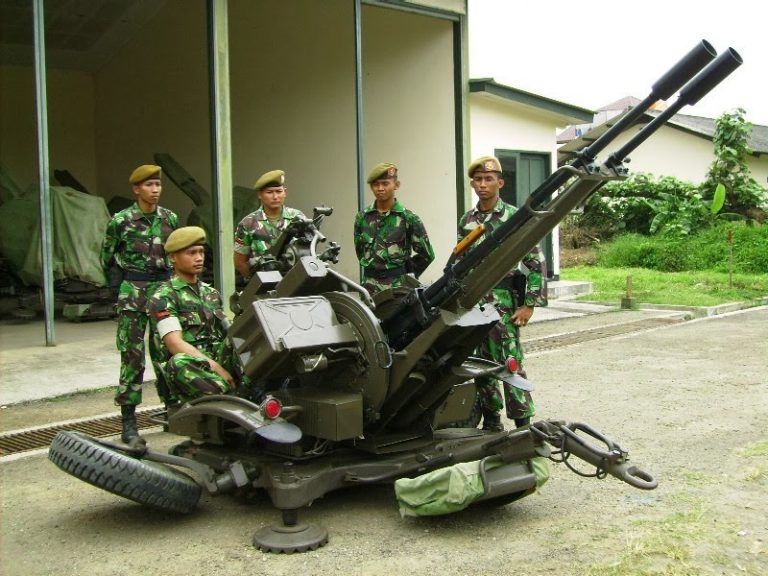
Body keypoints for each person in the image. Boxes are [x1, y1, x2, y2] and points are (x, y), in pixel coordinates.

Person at [458, 156, 547, 431]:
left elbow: (536, 261)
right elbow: (461, 262)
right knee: (480, 364)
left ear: (500, 182)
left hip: (504, 304)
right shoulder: (467, 220)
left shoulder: (513, 218)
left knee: (510, 364)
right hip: (475, 303)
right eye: (477, 179)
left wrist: (529, 304)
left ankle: (522, 424)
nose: (482, 185)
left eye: (488, 179)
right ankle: (492, 421)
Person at [100, 164, 179, 447]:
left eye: (158, 184)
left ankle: (174, 410)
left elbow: (177, 255)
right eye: (149, 185)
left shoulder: (170, 218)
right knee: (132, 358)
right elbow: (107, 257)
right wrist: (115, 290)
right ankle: (129, 422)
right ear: (136, 189)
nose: (155, 190)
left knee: (167, 352)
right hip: (133, 293)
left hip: (163, 293)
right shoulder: (121, 220)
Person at [149, 227, 254, 403]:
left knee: (244, 336)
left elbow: (228, 336)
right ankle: (233, 396)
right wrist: (216, 367)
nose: (199, 258)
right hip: (194, 370)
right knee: (179, 361)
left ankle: (253, 389)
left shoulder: (211, 293)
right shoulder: (164, 296)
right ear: (173, 257)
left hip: (218, 362)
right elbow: (175, 344)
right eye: (191, 253)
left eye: (201, 252)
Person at [353, 162, 435, 296]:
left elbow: (427, 255)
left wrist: (407, 274)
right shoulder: (362, 218)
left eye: (385, 183)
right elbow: (360, 251)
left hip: (398, 287)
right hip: (369, 288)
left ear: (396, 185)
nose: (380, 188)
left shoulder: (408, 218)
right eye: (375, 184)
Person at [233, 169, 306, 280]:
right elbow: (240, 261)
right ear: (259, 194)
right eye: (269, 192)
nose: (275, 196)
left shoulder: (297, 218)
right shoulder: (248, 223)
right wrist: (254, 282)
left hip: (294, 281)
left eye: (278, 191)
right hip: (264, 284)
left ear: (285, 192)